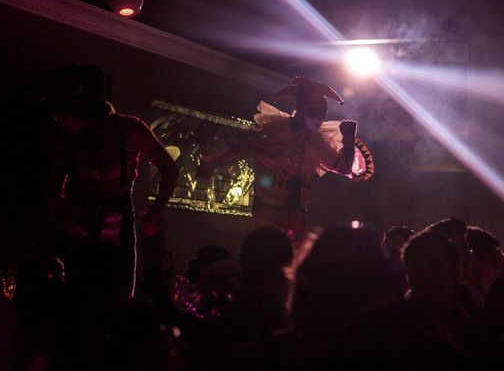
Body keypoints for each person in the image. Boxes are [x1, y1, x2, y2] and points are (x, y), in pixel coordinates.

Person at [47, 64, 179, 297]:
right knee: (76, 293)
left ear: (83, 110)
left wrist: (156, 211)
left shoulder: (130, 129)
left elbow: (170, 169)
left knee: (119, 293)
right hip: (80, 222)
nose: (61, 119)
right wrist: (64, 217)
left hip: (118, 224)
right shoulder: (67, 138)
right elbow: (53, 187)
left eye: (64, 113)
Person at [201, 77, 374, 244]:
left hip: (298, 213)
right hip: (267, 210)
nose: (320, 118)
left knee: (290, 261)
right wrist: (212, 164)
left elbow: (344, 168)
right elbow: (241, 147)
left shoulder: (317, 142)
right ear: (300, 109)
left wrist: (349, 140)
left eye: (323, 113)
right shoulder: (275, 131)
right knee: (269, 255)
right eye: (314, 111)